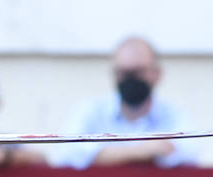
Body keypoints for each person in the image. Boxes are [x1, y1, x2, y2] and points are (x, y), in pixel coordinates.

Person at [55, 35, 199, 169]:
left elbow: (188, 154)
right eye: (124, 73)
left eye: (138, 72)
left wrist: (104, 156)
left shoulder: (175, 115)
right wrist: (139, 152)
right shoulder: (90, 111)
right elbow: (65, 153)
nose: (131, 80)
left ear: (157, 73)